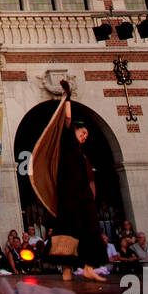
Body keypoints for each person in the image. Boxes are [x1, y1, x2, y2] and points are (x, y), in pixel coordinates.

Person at [30, 80, 105, 282]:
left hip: (83, 197)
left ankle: (89, 267)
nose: (85, 136)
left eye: (87, 134)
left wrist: (92, 195)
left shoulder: (83, 155)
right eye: (83, 132)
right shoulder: (68, 143)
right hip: (69, 197)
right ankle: (66, 271)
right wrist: (67, 98)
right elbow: (67, 119)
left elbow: (90, 179)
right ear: (75, 132)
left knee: (91, 230)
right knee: (67, 233)